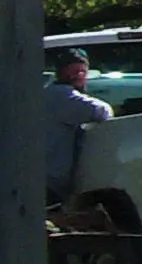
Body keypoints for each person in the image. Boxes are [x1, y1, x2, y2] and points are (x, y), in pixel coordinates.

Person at [42, 49, 111, 203]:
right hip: (50, 182)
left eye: (82, 71)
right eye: (74, 71)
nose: (79, 75)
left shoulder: (48, 93)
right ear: (61, 72)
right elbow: (101, 111)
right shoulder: (62, 96)